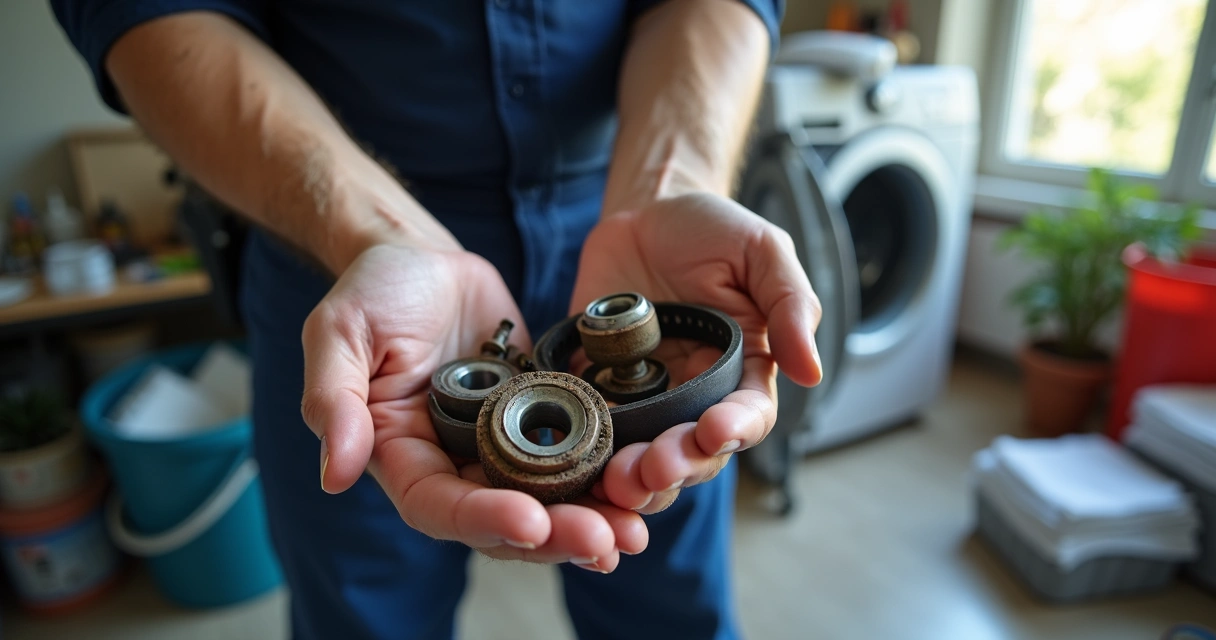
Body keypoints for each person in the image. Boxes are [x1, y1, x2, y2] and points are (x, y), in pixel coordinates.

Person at [52, 1, 823, 637]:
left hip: (639, 242)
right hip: (349, 267)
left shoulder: (646, 319)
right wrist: (378, 233)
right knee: (365, 615)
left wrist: (668, 182)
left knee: (669, 606)